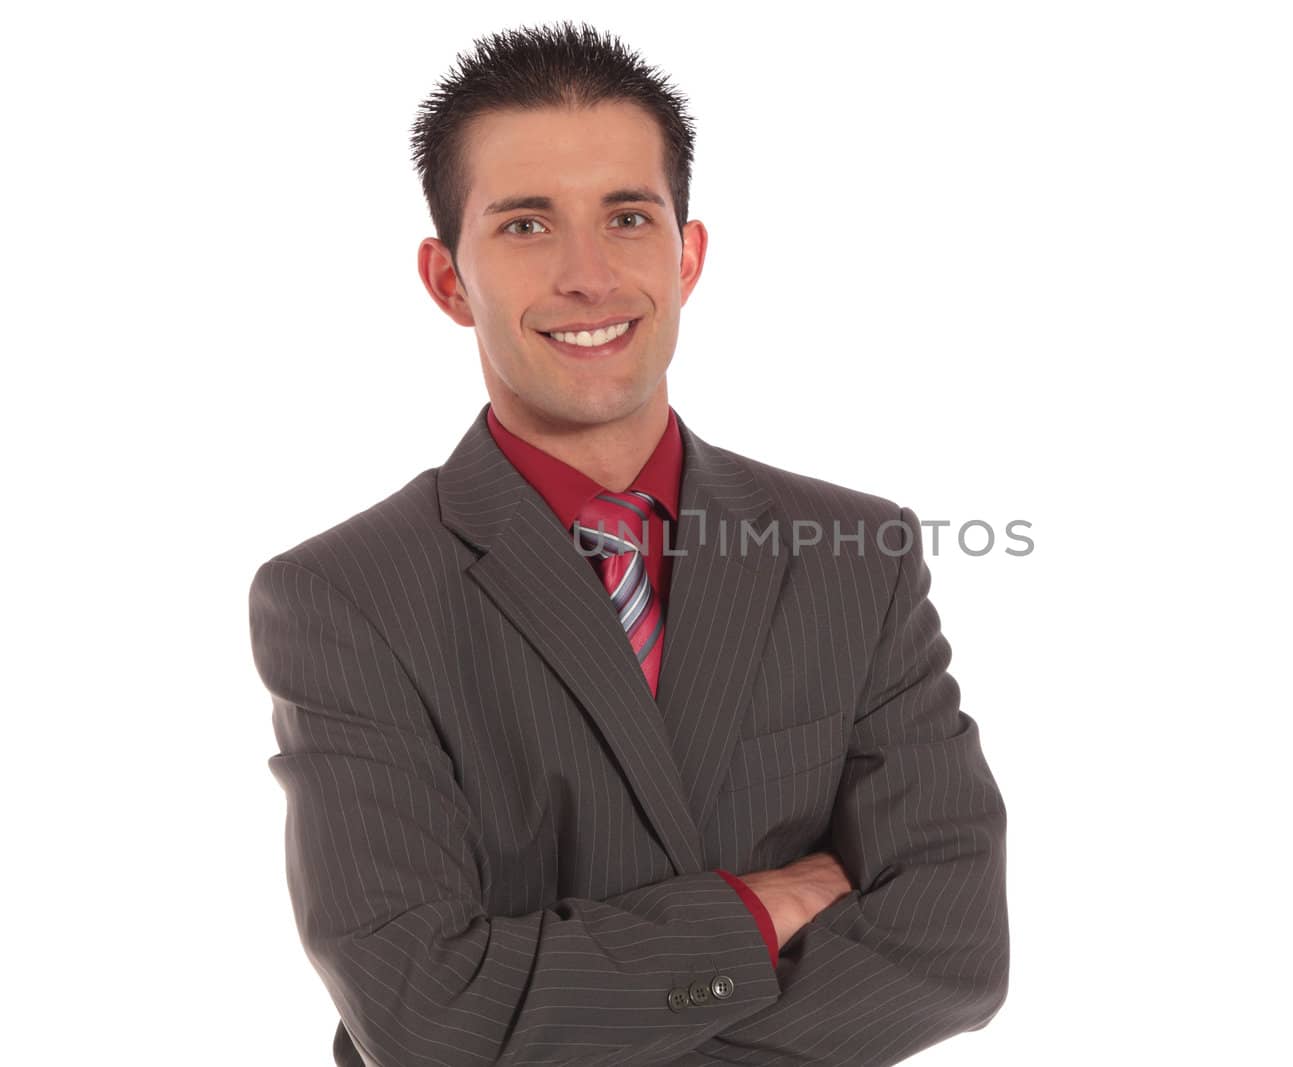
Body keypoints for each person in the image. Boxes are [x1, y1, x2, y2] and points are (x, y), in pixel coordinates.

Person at [248, 21, 1008, 1066]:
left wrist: (555, 1010)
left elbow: (952, 950)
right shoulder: (345, 595)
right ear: (447, 280)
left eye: (627, 216)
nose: (588, 275)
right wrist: (754, 905)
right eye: (524, 225)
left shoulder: (855, 553)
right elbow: (424, 1014)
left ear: (687, 254)